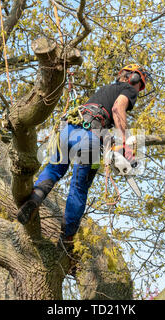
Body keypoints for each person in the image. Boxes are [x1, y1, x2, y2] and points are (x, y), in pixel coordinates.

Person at [16, 64, 151, 244]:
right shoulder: (128, 90)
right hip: (88, 139)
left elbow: (98, 120)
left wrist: (110, 143)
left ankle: (33, 201)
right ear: (132, 79)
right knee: (79, 187)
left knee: (54, 170)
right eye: (139, 85)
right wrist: (124, 143)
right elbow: (118, 109)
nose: (138, 90)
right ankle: (67, 238)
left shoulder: (103, 90)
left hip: (67, 132)